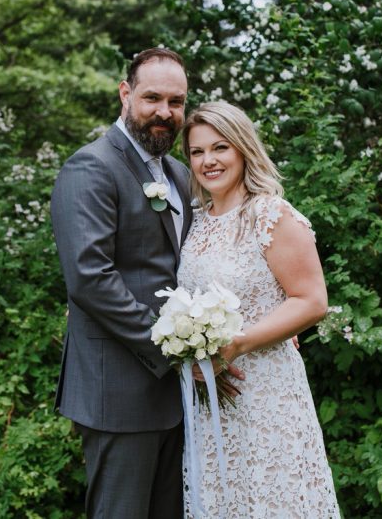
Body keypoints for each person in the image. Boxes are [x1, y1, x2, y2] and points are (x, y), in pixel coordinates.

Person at [51, 48, 242, 518]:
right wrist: (176, 351)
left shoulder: (179, 173)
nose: (164, 112)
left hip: (176, 394)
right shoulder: (91, 168)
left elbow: (204, 262)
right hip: (118, 390)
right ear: (125, 94)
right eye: (152, 97)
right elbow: (90, 279)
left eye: (176, 101)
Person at [179, 101, 342, 517]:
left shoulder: (270, 214)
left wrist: (238, 344)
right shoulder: (194, 219)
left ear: (243, 148)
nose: (208, 161)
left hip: (267, 390)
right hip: (209, 396)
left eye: (220, 148)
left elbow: (311, 300)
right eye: (197, 152)